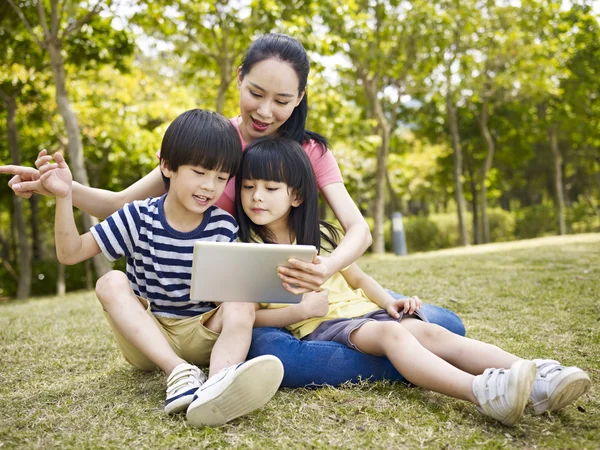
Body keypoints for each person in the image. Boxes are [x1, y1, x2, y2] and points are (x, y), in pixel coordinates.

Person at [0, 33, 465, 387]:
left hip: (283, 305)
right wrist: (57, 190)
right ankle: (403, 358)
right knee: (269, 348)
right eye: (256, 93)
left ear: (299, 98)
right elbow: (123, 204)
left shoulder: (308, 152)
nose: (265, 110)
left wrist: (325, 269)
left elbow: (358, 229)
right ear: (239, 77)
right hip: (219, 312)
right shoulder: (211, 145)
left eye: (282, 101)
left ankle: (397, 351)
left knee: (439, 321)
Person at [235, 135, 592, 426]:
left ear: (295, 195)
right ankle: (480, 392)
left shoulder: (322, 237)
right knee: (393, 333)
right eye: (249, 187)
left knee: (432, 332)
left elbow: (358, 278)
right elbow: (248, 317)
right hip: (323, 326)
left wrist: (388, 302)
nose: (257, 196)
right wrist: (297, 311)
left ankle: (536, 376)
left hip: (363, 313)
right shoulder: (249, 250)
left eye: (270, 187)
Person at [36, 109, 284, 428]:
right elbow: (70, 253)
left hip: (203, 332)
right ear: (166, 165)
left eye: (221, 178)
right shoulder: (138, 216)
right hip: (148, 339)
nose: (210, 186)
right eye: (199, 172)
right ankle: (177, 371)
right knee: (110, 281)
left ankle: (218, 383)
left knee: (242, 297)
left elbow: (236, 301)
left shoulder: (225, 225)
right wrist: (64, 196)